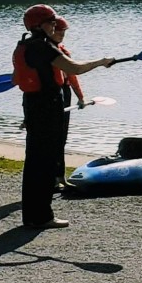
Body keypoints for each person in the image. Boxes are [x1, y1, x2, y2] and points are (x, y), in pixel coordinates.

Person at [14, 4, 114, 229]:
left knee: (35, 162)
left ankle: (32, 216)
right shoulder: (43, 47)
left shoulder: (24, 45)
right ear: (39, 25)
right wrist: (101, 62)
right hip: (47, 107)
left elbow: (17, 78)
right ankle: (42, 217)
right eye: (51, 22)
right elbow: (74, 68)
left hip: (32, 106)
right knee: (46, 163)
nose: (54, 25)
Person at [51, 16, 87, 188]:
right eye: (59, 31)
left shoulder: (63, 52)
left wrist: (80, 97)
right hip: (50, 95)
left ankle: (60, 178)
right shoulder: (45, 51)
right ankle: (51, 178)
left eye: (63, 32)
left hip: (64, 95)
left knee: (61, 138)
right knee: (52, 139)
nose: (62, 34)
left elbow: (72, 76)